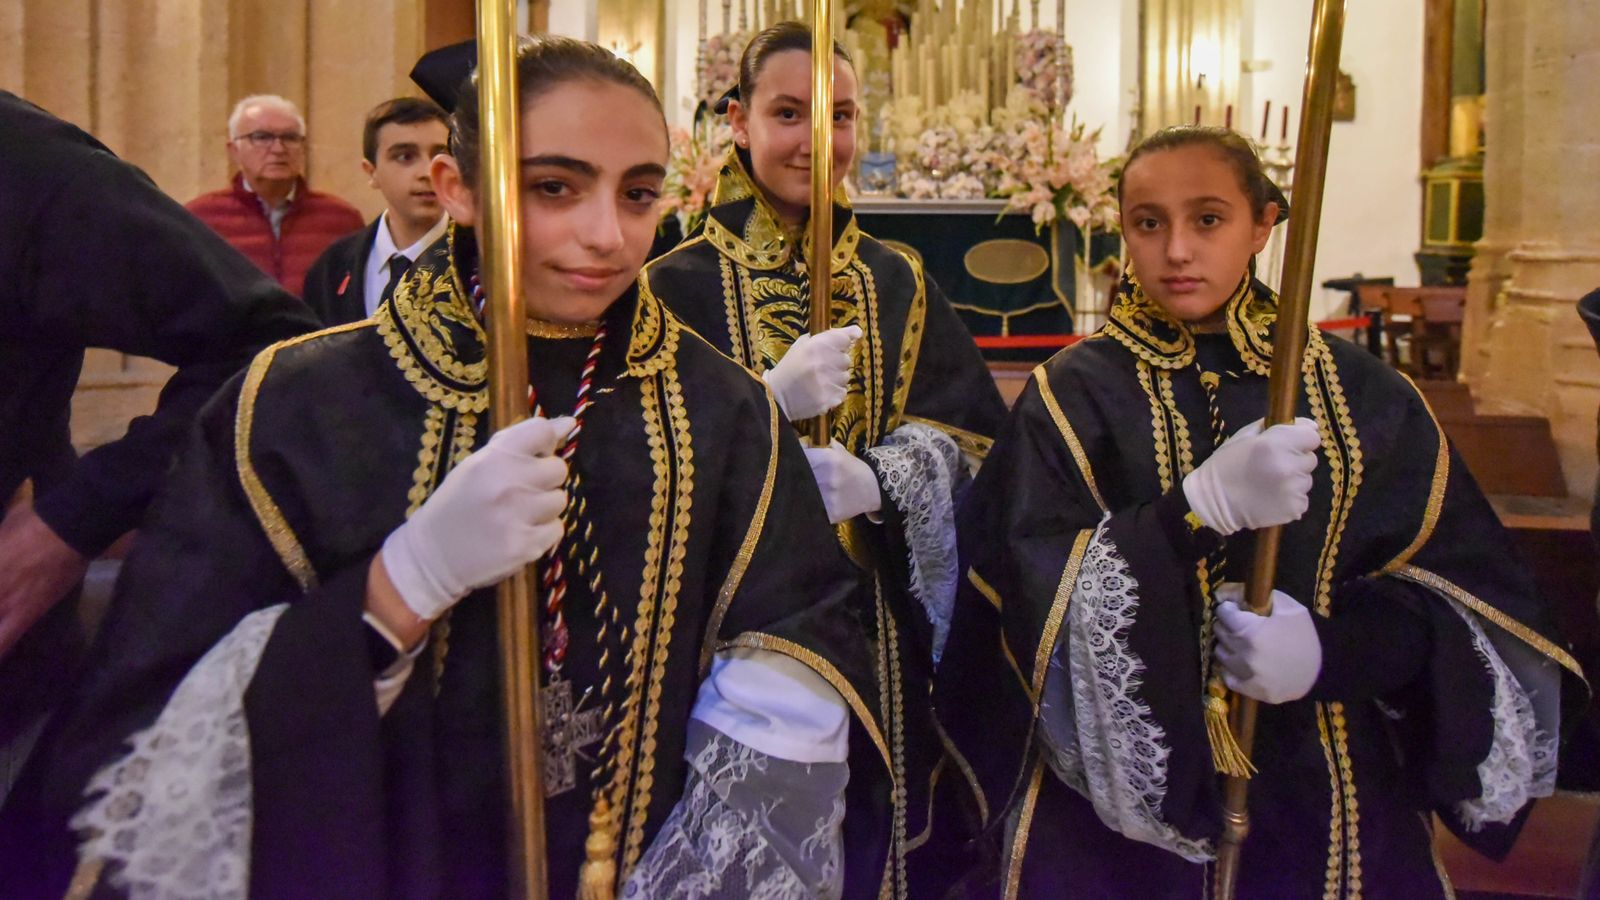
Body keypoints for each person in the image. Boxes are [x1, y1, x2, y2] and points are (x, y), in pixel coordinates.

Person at [0, 37, 894, 899]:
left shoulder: (722, 406)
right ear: (457, 187)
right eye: (554, 187)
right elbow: (150, 717)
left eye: (638, 194)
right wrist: (400, 585)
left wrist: (770, 724)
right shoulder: (303, 402)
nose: (607, 235)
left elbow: (799, 615)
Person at [936, 125, 1589, 897]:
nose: (1177, 250)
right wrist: (1189, 515)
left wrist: (1329, 653)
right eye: (1148, 223)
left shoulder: (1360, 392)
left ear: (1263, 225)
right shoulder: (1070, 394)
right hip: (1113, 816)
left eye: (1208, 219)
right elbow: (1015, 587)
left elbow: (1457, 591)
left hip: (1327, 788)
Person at [642, 21, 1009, 894]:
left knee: (877, 835)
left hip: (876, 618)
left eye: (838, 116)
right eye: (789, 113)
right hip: (728, 632)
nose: (818, 139)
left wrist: (883, 480)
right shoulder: (671, 281)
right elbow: (641, 458)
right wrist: (763, 406)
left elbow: (979, 444)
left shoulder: (896, 278)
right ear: (737, 122)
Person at [0, 91, 318, 793]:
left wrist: (68, 522)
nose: (276, 151)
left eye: (286, 137)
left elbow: (269, 344)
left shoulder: (26, 165)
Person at [186, 94, 366, 297]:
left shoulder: (341, 219)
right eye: (261, 137)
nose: (278, 149)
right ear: (234, 150)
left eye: (290, 138)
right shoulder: (200, 218)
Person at [302, 97, 452, 326]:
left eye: (440, 155)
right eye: (405, 157)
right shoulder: (333, 267)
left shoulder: (481, 260)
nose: (427, 172)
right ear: (372, 172)